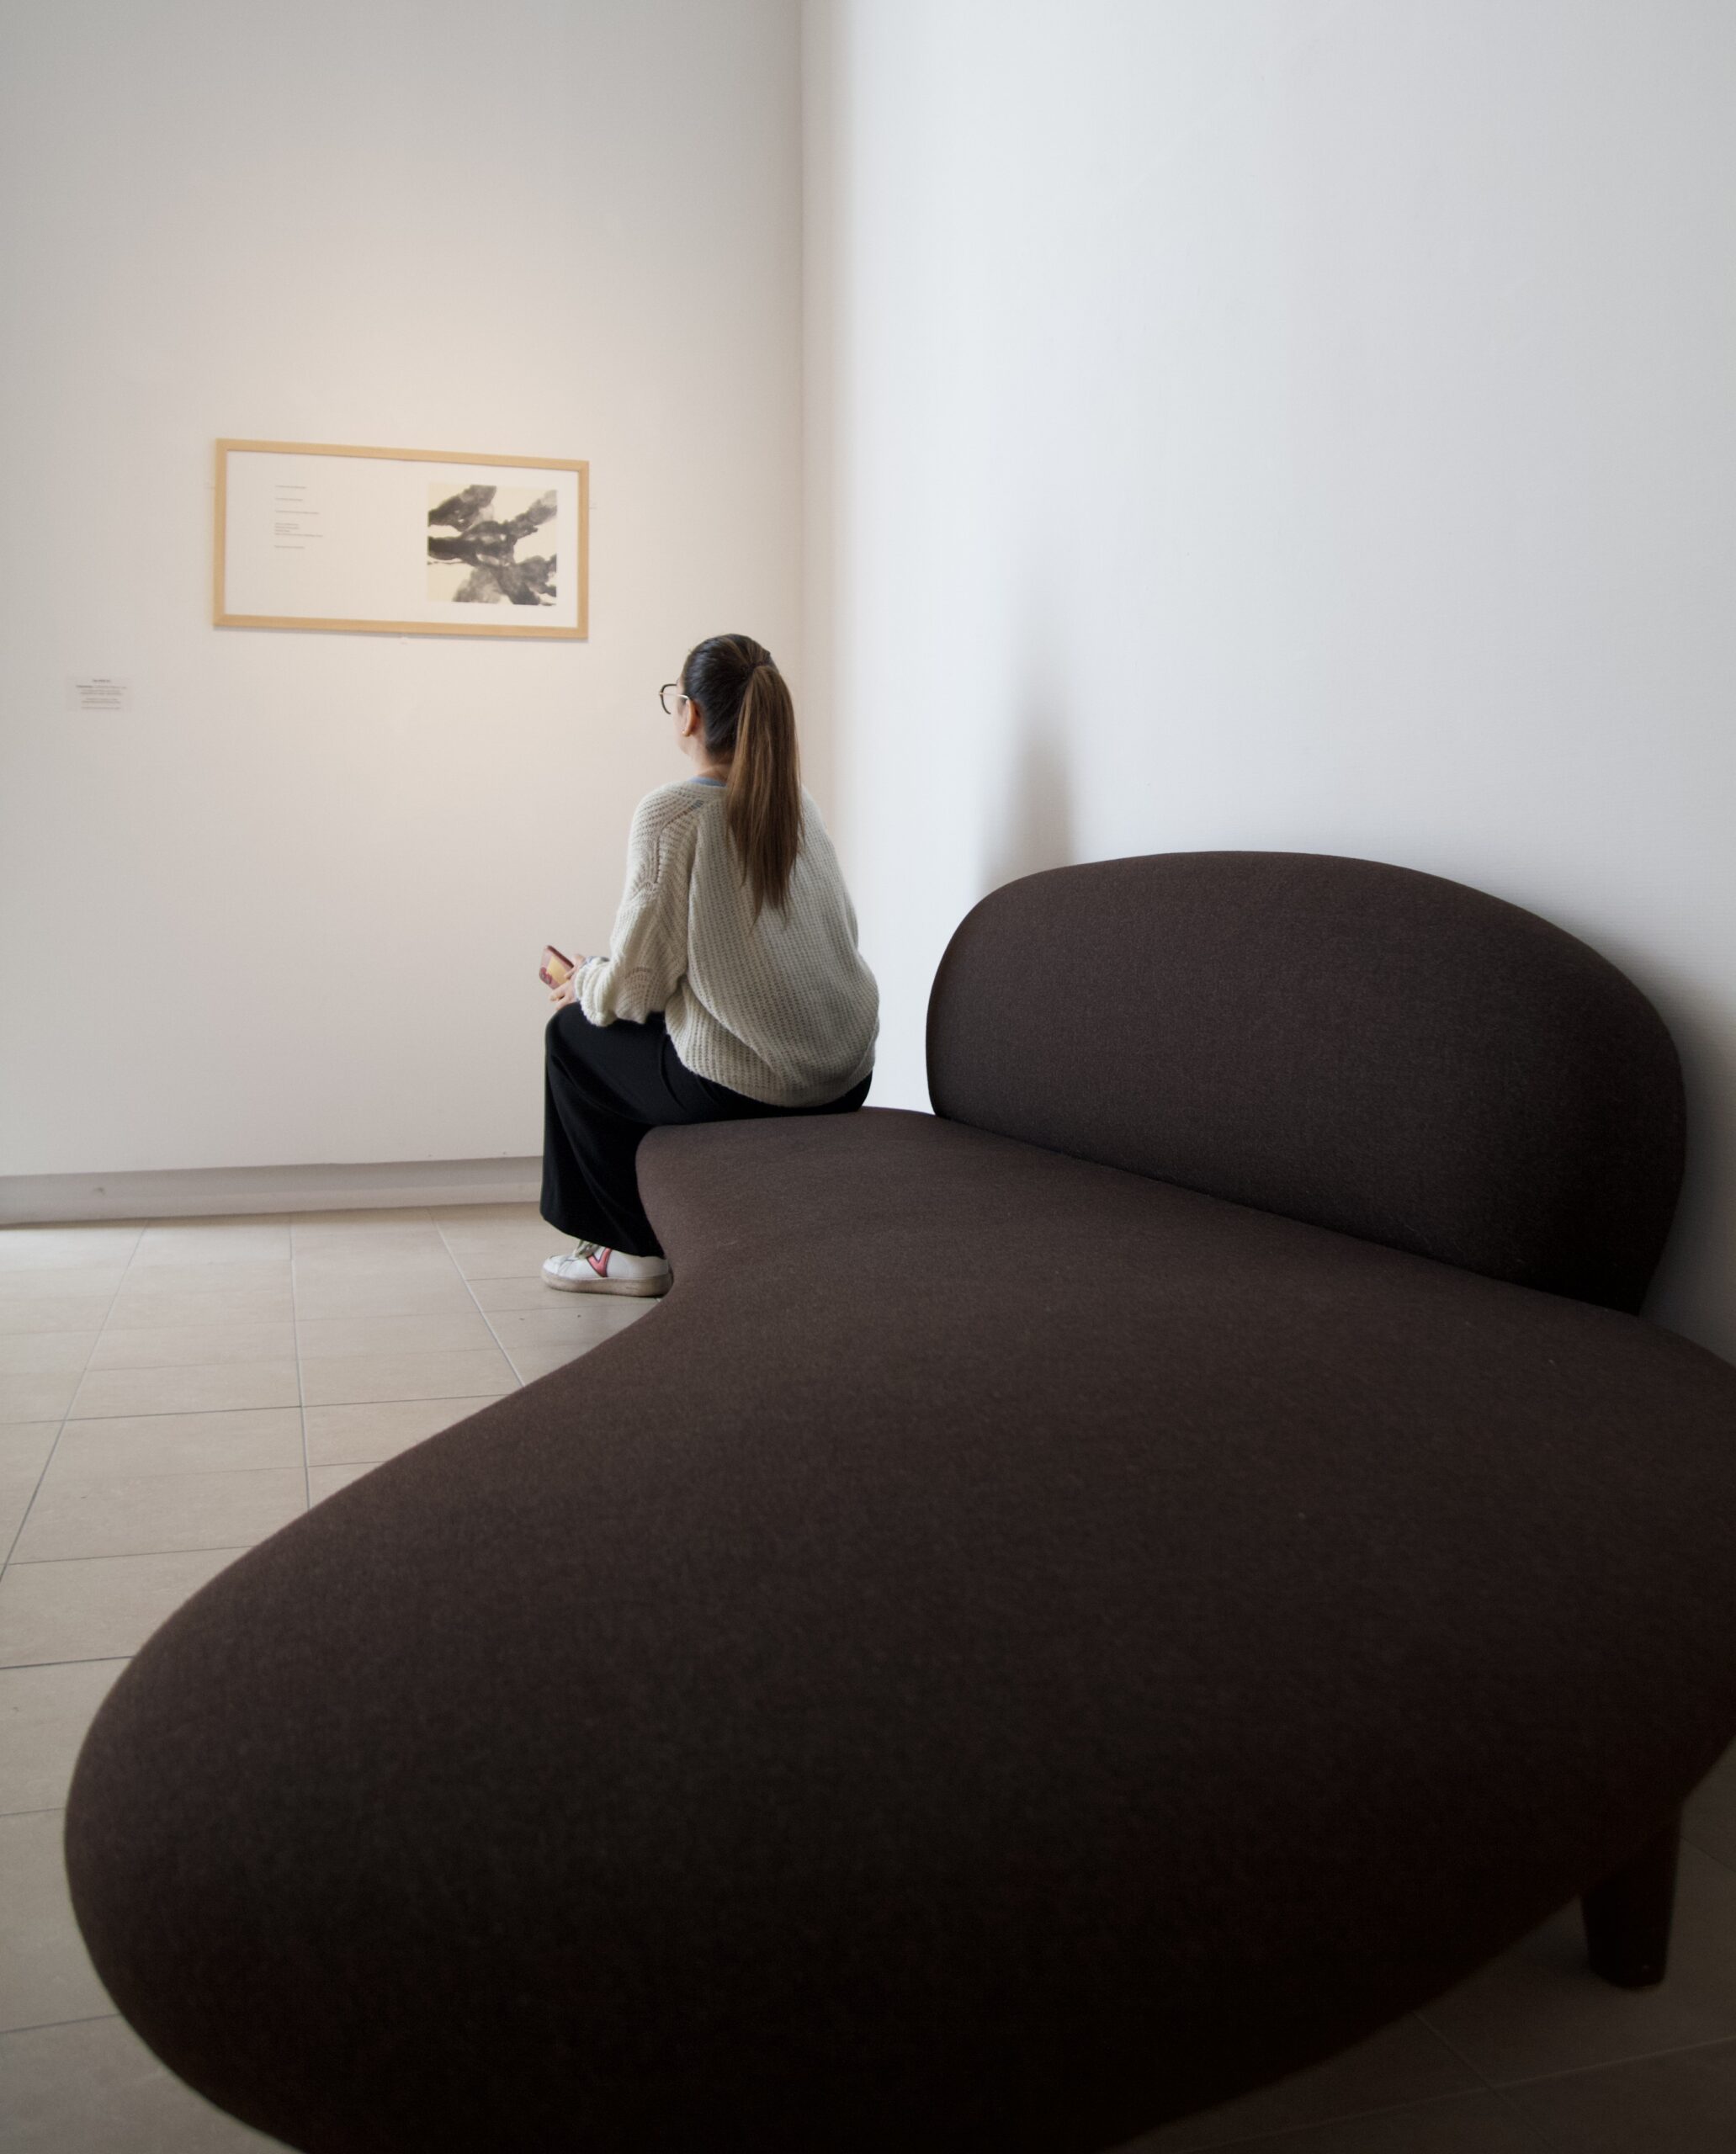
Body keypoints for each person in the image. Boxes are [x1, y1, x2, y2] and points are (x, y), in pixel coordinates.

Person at [539, 634, 879, 1297]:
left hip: (750, 1086)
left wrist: (584, 981)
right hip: (844, 1075)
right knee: (640, 1027)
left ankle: (628, 1250)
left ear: (689, 713)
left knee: (574, 1036)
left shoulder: (673, 813)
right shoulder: (797, 804)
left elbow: (633, 991)